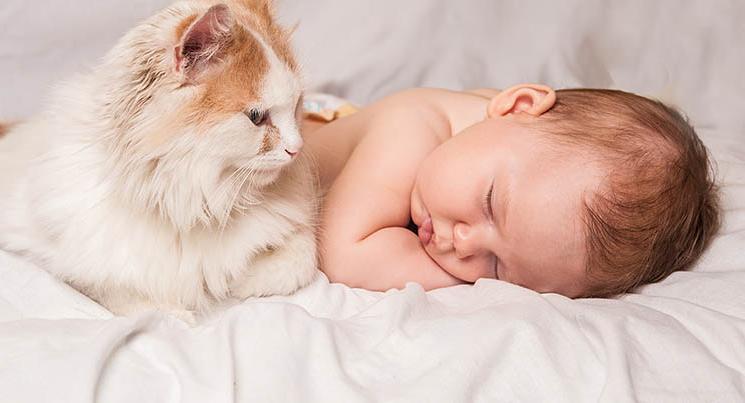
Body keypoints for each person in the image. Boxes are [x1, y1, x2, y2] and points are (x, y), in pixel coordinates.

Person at [303, 84, 720, 298]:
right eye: (489, 202)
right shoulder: (411, 129)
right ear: (517, 105)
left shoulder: (506, 141)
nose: (464, 244)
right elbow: (344, 254)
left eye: (497, 266)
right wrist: (459, 282)